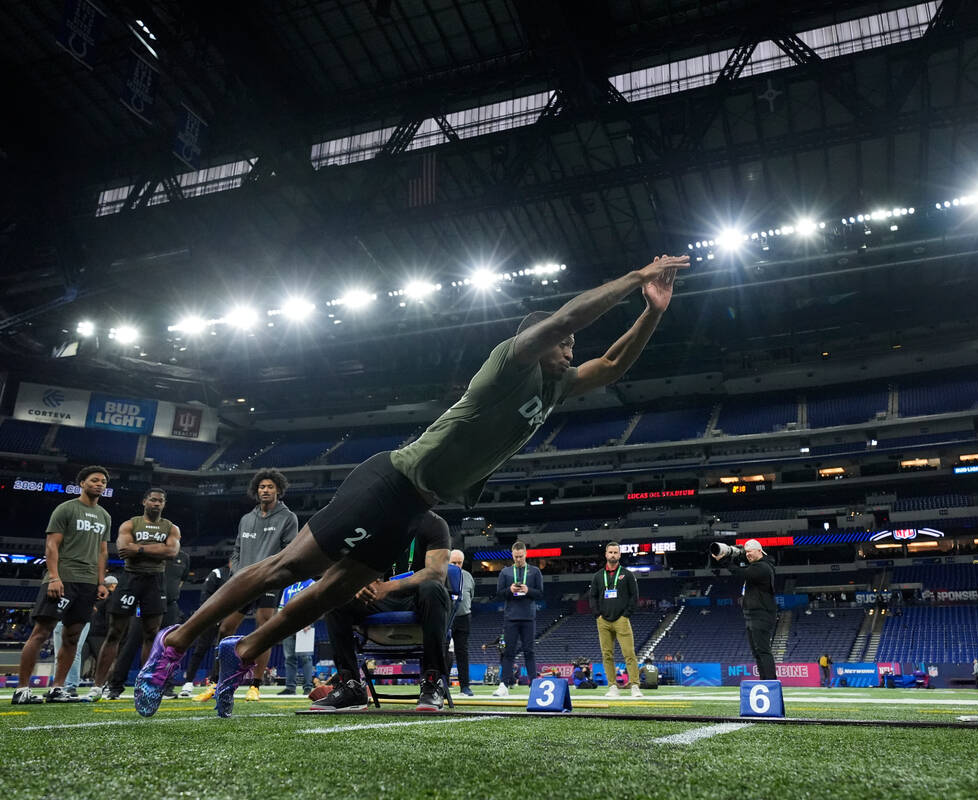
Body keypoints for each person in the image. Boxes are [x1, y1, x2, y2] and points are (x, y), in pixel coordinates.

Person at [134, 253, 689, 718]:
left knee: (329, 592)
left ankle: (246, 650)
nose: (571, 349)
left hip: (414, 506)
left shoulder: (554, 388)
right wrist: (634, 278)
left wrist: (653, 311)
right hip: (388, 480)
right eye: (563, 341)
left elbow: (613, 363)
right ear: (537, 340)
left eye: (571, 344)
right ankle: (175, 643)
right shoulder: (509, 362)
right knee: (288, 570)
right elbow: (570, 315)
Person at [312, 511, 451, 712]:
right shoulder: (376, 524)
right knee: (337, 597)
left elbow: (436, 572)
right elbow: (353, 567)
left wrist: (388, 587)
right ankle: (350, 686)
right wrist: (358, 585)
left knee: (433, 588)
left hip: (419, 599)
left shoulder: (434, 524)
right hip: (380, 597)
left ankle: (432, 681)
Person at [14, 466, 112, 704]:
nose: (99, 484)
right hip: (63, 579)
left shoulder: (105, 516)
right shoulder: (66, 509)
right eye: (94, 480)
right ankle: (22, 690)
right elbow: (51, 546)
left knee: (72, 637)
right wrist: (54, 577)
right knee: (41, 633)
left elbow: (102, 552)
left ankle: (57, 688)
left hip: (88, 583)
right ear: (82, 483)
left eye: (103, 482)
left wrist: (101, 583)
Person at [88, 488, 181, 700]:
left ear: (164, 504)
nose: (156, 504)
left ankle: (145, 685)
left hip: (155, 581)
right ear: (144, 501)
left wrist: (138, 549)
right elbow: (122, 549)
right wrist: (156, 549)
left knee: (152, 634)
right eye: (153, 500)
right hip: (130, 578)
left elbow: (171, 552)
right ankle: (98, 685)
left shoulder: (171, 527)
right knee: (114, 633)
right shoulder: (130, 524)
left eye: (160, 501)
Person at [216, 469, 298, 703]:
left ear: (278, 490)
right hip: (244, 581)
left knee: (264, 629)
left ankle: (256, 685)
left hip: (270, 580)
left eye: (270, 487)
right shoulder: (247, 519)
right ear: (256, 490)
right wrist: (237, 572)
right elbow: (237, 550)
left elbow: (289, 549)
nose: (265, 490)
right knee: (225, 628)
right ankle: (218, 680)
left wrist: (273, 574)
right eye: (262, 487)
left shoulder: (288, 517)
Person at [105, 537, 190, 700]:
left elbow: (180, 581)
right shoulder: (154, 552)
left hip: (170, 605)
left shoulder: (184, 557)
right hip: (146, 604)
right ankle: (115, 686)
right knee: (132, 644)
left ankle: (166, 687)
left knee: (170, 648)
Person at [713, 539, 777, 681]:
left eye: (750, 551)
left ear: (759, 551)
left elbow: (741, 573)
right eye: (746, 552)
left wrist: (724, 560)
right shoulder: (758, 565)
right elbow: (743, 564)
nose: (747, 554)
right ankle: (764, 682)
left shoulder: (762, 567)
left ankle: (771, 683)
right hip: (752, 615)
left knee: (763, 651)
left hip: (761, 614)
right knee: (757, 652)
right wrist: (733, 553)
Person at [588, 541, 642, 698]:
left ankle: (635, 686)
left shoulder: (627, 574)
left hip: (621, 620)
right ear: (606, 554)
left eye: (615, 552)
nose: (612, 555)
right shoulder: (598, 576)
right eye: (610, 552)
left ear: (619, 555)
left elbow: (634, 596)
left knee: (629, 653)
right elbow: (593, 597)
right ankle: (612, 686)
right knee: (607, 654)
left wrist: (626, 615)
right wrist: (597, 615)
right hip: (603, 621)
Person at [51, 574, 119, 696]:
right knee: (72, 654)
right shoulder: (102, 594)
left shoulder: (102, 594)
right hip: (90, 628)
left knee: (74, 654)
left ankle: (69, 685)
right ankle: (63, 685)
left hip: (90, 628)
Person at [492, 541, 544, 696]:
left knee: (530, 651)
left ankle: (533, 684)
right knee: (508, 652)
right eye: (516, 557)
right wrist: (510, 589)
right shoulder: (505, 572)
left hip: (528, 617)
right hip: (511, 617)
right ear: (512, 555)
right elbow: (499, 594)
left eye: (521, 556)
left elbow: (540, 593)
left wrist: (528, 590)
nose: (519, 559)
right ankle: (503, 685)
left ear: (526, 554)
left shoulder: (535, 572)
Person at [180, 559, 231, 699]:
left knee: (223, 651)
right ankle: (188, 682)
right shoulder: (218, 573)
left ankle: (216, 683)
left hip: (229, 618)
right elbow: (206, 596)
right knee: (200, 649)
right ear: (230, 561)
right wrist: (210, 615)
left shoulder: (239, 573)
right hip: (212, 616)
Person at [278, 578, 316, 695]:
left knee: (306, 657)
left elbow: (315, 602)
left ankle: (308, 687)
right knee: (289, 658)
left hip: (304, 624)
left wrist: (309, 620)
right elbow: (281, 608)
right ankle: (290, 688)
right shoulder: (287, 588)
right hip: (288, 625)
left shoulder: (311, 583)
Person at [448, 549, 475, 696]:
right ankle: (442, 683)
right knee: (444, 651)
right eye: (453, 563)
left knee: (462, 653)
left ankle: (465, 686)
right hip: (447, 618)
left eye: (459, 563)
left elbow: (471, 595)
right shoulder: (443, 575)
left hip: (464, 617)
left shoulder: (468, 576)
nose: (457, 565)